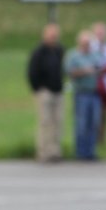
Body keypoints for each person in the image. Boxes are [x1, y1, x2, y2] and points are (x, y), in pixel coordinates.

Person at [26, 23, 64, 163]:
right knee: (45, 122)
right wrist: (37, 89)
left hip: (58, 91)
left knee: (57, 122)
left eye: (55, 35)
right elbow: (32, 72)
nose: (54, 38)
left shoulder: (59, 50)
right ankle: (43, 152)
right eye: (51, 35)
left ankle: (55, 151)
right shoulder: (39, 52)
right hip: (44, 91)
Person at [64, 29, 103, 161]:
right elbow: (69, 72)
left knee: (93, 123)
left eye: (88, 43)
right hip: (81, 93)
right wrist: (85, 71)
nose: (86, 46)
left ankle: (90, 152)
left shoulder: (95, 55)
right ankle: (80, 152)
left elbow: (101, 67)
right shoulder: (73, 56)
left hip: (94, 93)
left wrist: (97, 70)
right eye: (84, 43)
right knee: (82, 124)